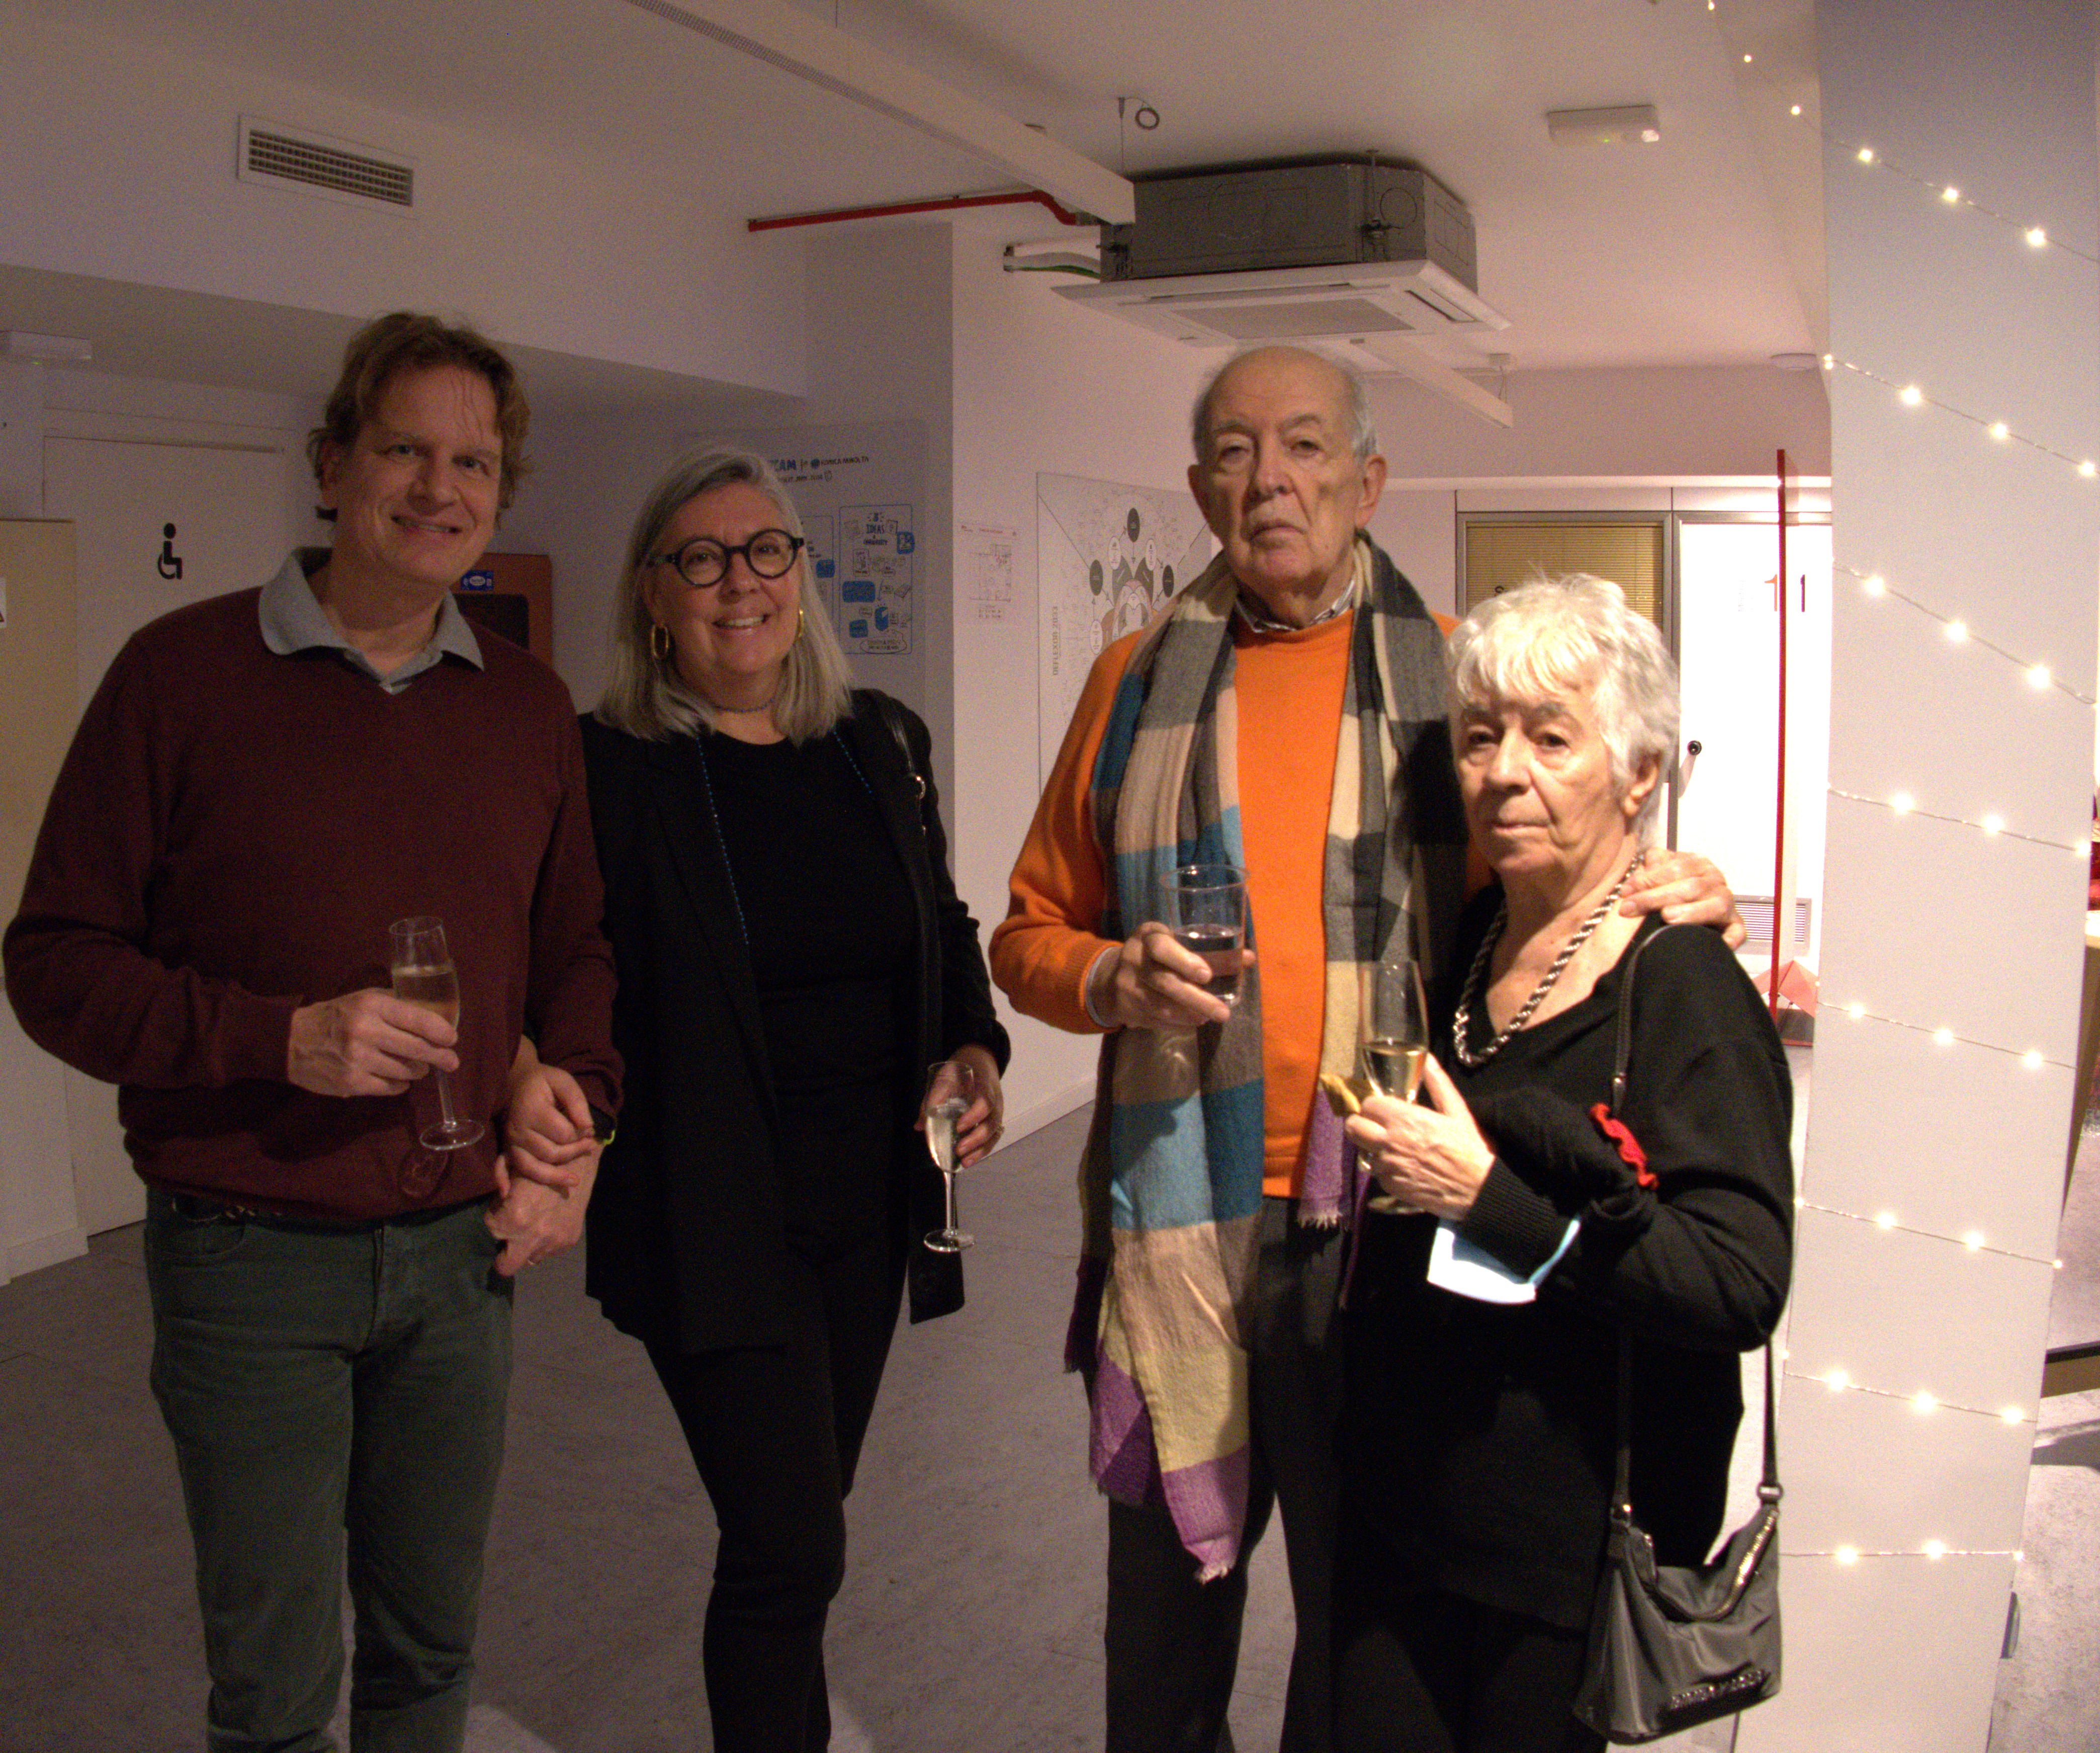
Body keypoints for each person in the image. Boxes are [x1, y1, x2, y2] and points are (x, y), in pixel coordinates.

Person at [990, 344, 1740, 1753]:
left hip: (1384, 1236)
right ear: (1201, 489)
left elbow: (1558, 878)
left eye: (1305, 446)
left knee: (1365, 1637)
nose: (1269, 480)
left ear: (1369, 479)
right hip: (1180, 1233)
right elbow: (1026, 933)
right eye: (1234, 452)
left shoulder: (1453, 681)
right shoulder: (1132, 684)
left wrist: (1671, 879)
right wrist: (1107, 975)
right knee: (1161, 1647)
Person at [2, 311, 620, 1750]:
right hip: (250, 1256)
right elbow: (53, 963)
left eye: (474, 462)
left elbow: (576, 950)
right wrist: (278, 1040)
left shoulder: (528, 705)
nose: (438, 487)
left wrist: (576, 1105)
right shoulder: (179, 677)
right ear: (332, 463)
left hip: (462, 1258)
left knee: (428, 1656)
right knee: (276, 1691)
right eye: (404, 448)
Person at [506, 448, 1010, 1752]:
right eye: (701, 558)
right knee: (791, 1546)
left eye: (766, 549)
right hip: (711, 1205)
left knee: (798, 1534)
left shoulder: (880, 742)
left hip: (870, 1206)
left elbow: (941, 920)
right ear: (652, 596)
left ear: (801, 571)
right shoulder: (608, 769)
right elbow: (550, 962)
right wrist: (538, 1085)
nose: (741, 582)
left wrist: (974, 1046)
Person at [1333, 574, 1793, 1752]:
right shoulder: (1478, 932)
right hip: (1410, 1507)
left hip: (1560, 1553)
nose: (1503, 773)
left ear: (1639, 773)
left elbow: (1740, 1282)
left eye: (1551, 738)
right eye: (1480, 737)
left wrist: (1486, 1199)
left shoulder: (1681, 982)